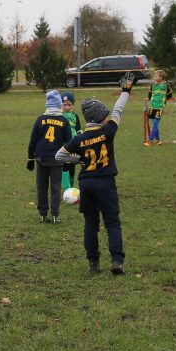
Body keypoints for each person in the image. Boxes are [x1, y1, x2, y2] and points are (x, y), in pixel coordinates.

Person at [55, 72, 136, 276]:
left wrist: (78, 160)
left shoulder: (79, 139)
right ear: (101, 117)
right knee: (112, 222)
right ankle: (117, 261)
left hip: (87, 183)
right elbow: (118, 109)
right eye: (105, 115)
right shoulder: (108, 131)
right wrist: (126, 91)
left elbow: (59, 156)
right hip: (105, 182)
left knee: (91, 224)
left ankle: (93, 263)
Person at [27, 90, 73, 223]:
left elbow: (33, 141)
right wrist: (67, 160)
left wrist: (30, 158)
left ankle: (42, 214)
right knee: (56, 188)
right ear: (59, 105)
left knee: (41, 187)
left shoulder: (40, 120)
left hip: (41, 158)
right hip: (57, 159)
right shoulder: (64, 121)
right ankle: (55, 215)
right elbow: (69, 143)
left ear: (47, 104)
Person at [144, 69, 173, 146]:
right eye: (154, 75)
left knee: (155, 124)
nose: (154, 77)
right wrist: (148, 98)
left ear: (161, 77)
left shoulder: (165, 85)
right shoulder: (153, 85)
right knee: (154, 123)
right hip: (152, 106)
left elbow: (170, 94)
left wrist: (164, 99)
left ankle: (150, 140)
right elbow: (150, 93)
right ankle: (158, 140)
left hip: (159, 107)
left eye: (155, 76)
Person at [60, 91, 81, 190]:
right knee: (64, 165)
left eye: (69, 105)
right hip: (62, 144)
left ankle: (71, 187)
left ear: (72, 104)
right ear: (60, 104)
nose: (67, 107)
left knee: (72, 166)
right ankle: (66, 188)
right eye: (65, 105)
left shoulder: (75, 116)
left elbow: (79, 130)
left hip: (73, 145)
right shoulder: (59, 116)